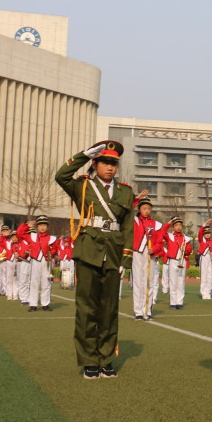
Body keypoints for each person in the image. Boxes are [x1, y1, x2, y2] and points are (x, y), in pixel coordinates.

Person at [55, 140, 136, 380]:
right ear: (95, 163)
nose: (110, 167)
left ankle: (106, 358)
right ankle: (89, 360)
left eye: (114, 163)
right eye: (105, 162)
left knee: (109, 310)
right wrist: (82, 155)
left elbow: (129, 226)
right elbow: (61, 176)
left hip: (113, 252)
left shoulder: (126, 192)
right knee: (87, 309)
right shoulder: (82, 186)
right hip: (88, 251)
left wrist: (126, 258)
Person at [132, 197, 162, 319]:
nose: (147, 211)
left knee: (149, 282)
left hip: (150, 254)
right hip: (137, 252)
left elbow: (160, 241)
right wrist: (136, 199)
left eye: (149, 209)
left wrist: (154, 249)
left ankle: (147, 310)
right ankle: (138, 311)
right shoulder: (134, 221)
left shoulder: (157, 224)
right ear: (139, 209)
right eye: (144, 208)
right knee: (138, 281)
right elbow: (126, 211)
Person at [19, 216, 55, 311]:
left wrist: (51, 253)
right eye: (40, 225)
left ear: (47, 227)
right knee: (34, 283)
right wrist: (26, 226)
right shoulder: (32, 236)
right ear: (37, 227)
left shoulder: (52, 238)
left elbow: (55, 248)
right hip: (35, 261)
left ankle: (45, 304)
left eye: (44, 225)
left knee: (46, 284)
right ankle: (33, 304)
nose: (42, 227)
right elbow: (20, 233)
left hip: (46, 262)